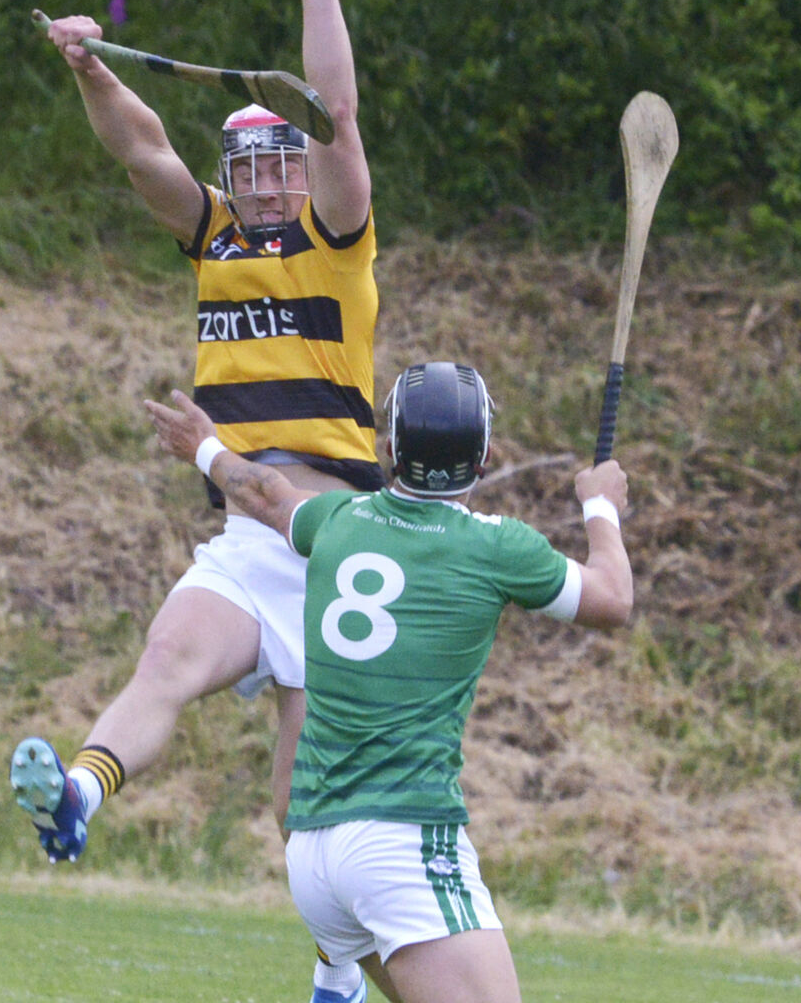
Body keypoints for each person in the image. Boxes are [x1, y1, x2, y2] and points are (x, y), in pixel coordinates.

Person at [10, 0, 381, 1003]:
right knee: (167, 662)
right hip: (242, 536)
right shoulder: (212, 232)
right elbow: (140, 148)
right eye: (249, 170)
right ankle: (75, 797)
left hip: (332, 548)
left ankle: (339, 973)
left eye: (281, 167)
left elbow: (339, 112)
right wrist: (84, 65)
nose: (265, 185)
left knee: (296, 809)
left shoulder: (337, 237)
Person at [143, 361, 634, 1003]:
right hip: (402, 842)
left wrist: (204, 447)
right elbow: (612, 600)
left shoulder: (340, 520)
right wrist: (601, 505)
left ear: (389, 448)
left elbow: (263, 492)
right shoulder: (497, 547)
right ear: (484, 456)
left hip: (315, 856)